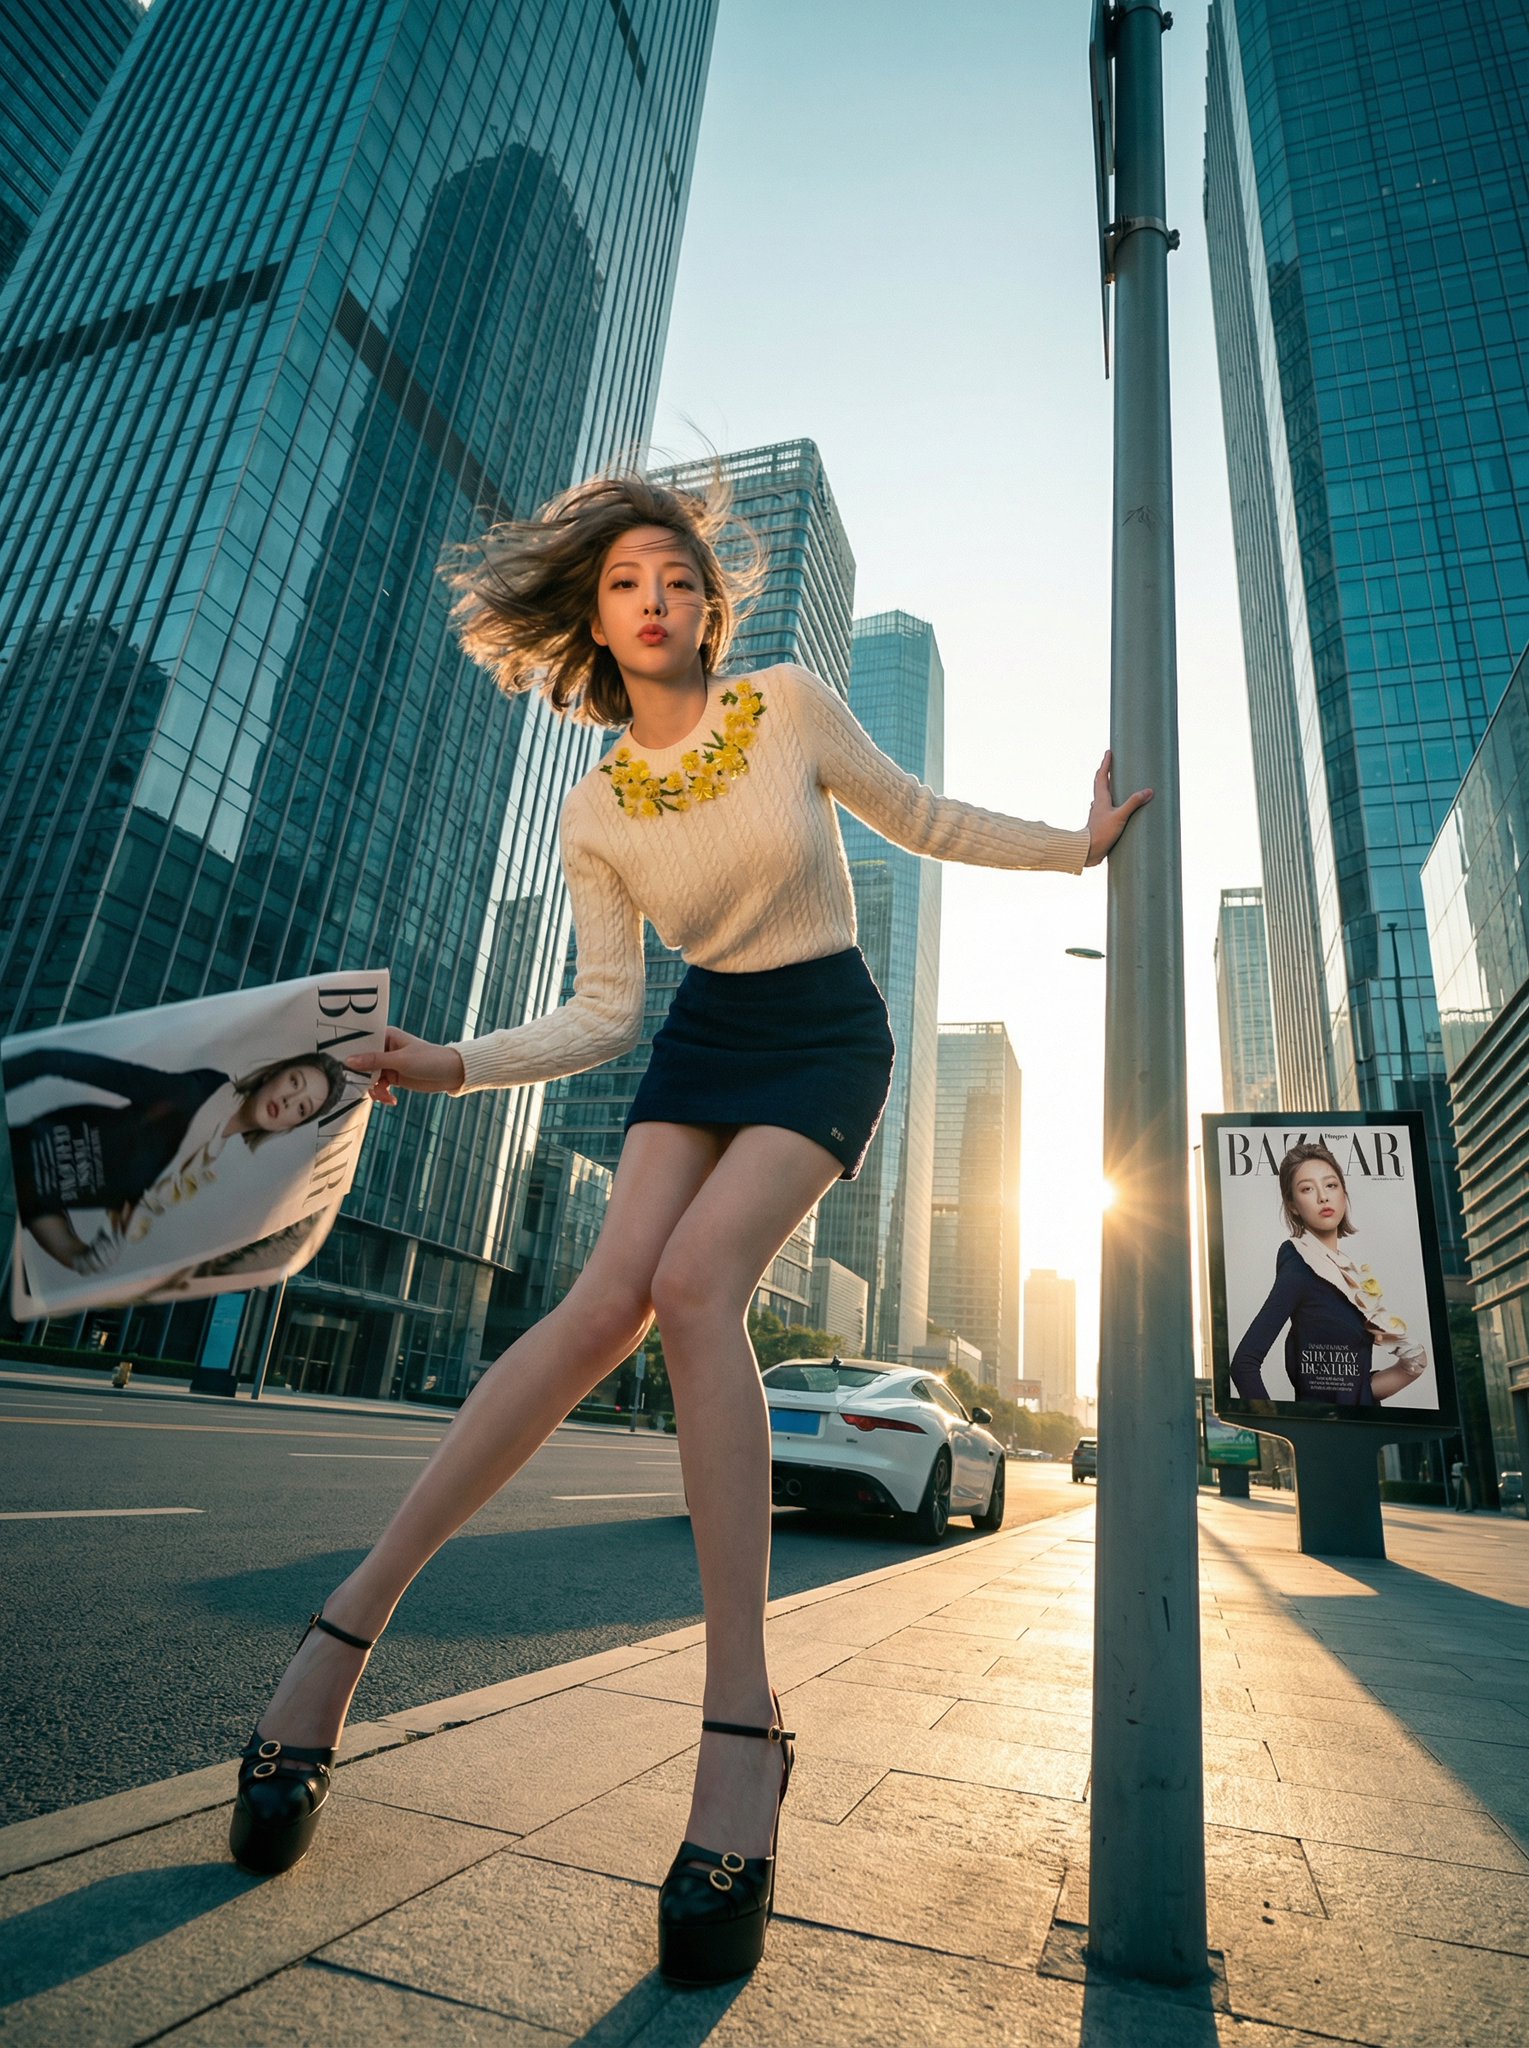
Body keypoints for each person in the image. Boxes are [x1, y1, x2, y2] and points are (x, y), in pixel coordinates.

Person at [226, 468, 1151, 1984]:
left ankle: (741, 1723)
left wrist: (1074, 842)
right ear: (596, 625)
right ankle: (339, 1639)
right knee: (604, 1301)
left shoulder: (787, 705)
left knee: (697, 1280)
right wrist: (451, 1066)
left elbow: (915, 815)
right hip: (705, 1036)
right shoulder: (595, 810)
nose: (654, 597)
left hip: (826, 1032)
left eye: (675, 576)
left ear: (711, 605)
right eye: (622, 584)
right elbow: (602, 1011)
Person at [4, 1046, 348, 1276]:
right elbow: (50, 1061)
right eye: (294, 1081)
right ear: (274, 1073)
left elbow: (43, 1198)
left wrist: (79, 1256)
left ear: (292, 1126)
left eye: (302, 1108)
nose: (289, 1100)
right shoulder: (191, 1095)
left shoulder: (200, 1171)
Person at [1229, 1141, 1430, 1409]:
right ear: (1292, 1205)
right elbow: (1244, 1364)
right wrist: (1281, 1431)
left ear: (1344, 1194)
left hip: (1360, 1436)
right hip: (1321, 1438)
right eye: (1307, 1189)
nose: (1323, 1197)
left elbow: (1373, 1383)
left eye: (1331, 1185)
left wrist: (1410, 1358)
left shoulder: (1350, 1276)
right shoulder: (1300, 1266)